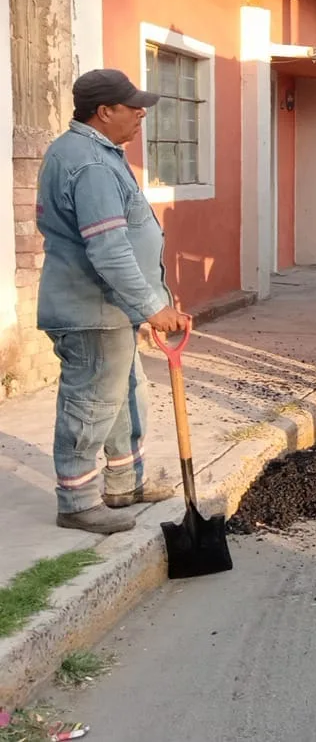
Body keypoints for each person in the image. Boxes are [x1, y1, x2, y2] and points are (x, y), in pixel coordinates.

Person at [36, 68, 190, 535]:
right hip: (91, 309)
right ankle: (78, 500)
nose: (142, 113)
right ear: (104, 112)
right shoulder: (91, 164)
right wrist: (152, 306)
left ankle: (125, 482)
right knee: (91, 403)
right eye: (132, 105)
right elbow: (108, 248)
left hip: (110, 308)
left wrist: (147, 302)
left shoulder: (92, 152)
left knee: (125, 394)